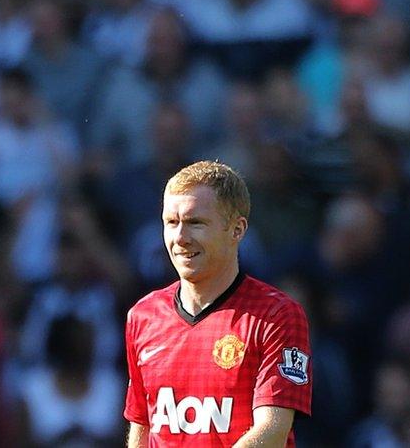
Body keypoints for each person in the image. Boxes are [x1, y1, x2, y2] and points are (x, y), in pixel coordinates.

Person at [123, 161, 312, 446]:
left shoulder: (276, 315)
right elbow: (143, 427)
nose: (180, 238)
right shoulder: (144, 316)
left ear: (237, 230)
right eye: (171, 223)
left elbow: (273, 430)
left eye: (195, 223)